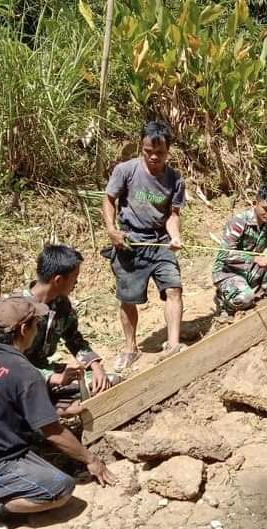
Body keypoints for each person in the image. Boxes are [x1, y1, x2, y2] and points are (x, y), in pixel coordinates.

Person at [0, 296, 115, 529]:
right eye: (36, 325)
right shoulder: (25, 372)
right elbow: (53, 432)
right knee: (59, 487)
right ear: (24, 329)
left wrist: (50, 408)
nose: (36, 330)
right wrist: (90, 459)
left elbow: (4, 403)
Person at [102, 120, 186, 371]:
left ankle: (173, 345)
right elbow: (109, 200)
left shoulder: (175, 179)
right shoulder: (125, 170)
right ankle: (130, 348)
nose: (152, 156)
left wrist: (175, 235)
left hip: (160, 241)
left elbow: (173, 214)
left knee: (174, 289)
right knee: (128, 299)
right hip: (130, 242)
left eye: (159, 153)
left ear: (168, 151)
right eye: (148, 151)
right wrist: (112, 230)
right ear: (142, 147)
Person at [18, 245, 120, 416]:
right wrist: (51, 378)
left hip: (46, 374)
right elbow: (4, 362)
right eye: (74, 278)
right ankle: (48, 411)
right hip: (19, 380)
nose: (76, 283)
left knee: (107, 382)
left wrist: (95, 366)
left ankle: (51, 405)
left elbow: (74, 339)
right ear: (58, 280)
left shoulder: (61, 305)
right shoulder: (16, 309)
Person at [212, 184, 267, 320]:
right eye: (265, 209)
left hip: (250, 271)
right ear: (255, 203)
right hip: (228, 272)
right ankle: (224, 302)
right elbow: (225, 255)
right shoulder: (238, 223)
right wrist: (254, 259)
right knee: (245, 298)